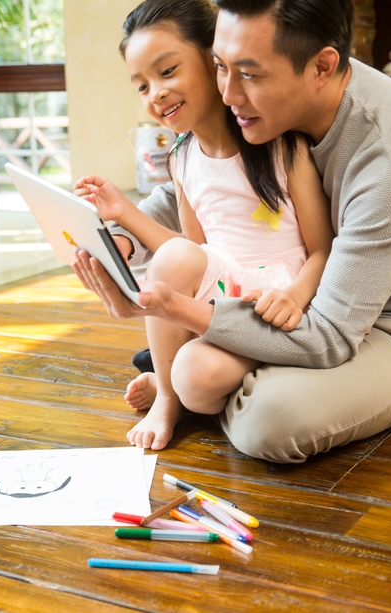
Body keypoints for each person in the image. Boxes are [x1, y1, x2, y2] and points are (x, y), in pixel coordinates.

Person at [74, 0, 391, 464]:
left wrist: (172, 309)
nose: (227, 94)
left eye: (248, 74)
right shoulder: (269, 107)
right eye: (218, 67)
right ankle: (197, 378)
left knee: (267, 422)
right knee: (207, 371)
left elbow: (329, 332)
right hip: (309, 309)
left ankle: (192, 382)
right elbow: (202, 188)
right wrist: (122, 240)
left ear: (322, 67)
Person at [73, 0, 334, 451]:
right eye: (142, 86)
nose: (155, 93)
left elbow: (323, 251)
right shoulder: (182, 157)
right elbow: (192, 254)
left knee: (195, 377)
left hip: (276, 299)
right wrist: (122, 213)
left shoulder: (283, 148)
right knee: (176, 280)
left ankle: (172, 384)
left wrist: (294, 297)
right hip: (221, 295)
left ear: (215, 61)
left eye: (167, 71)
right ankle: (169, 400)